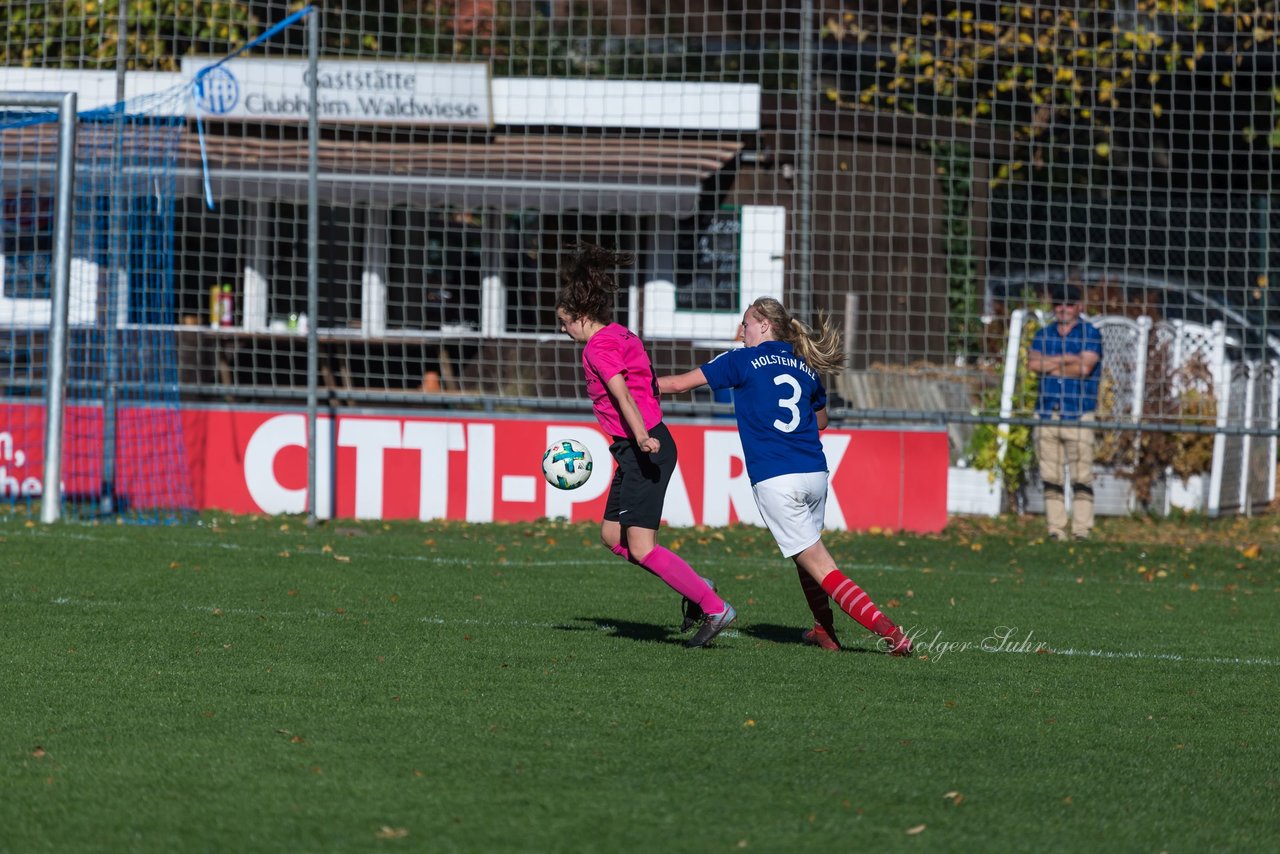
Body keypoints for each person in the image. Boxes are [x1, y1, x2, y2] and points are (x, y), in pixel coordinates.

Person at [657, 297, 913, 656]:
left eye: (744, 323)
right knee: (806, 556)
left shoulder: (741, 360)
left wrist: (634, 386)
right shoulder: (804, 366)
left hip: (777, 479)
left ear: (763, 324)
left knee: (824, 568)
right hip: (815, 475)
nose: (740, 332)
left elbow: (680, 385)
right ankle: (824, 631)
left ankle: (890, 633)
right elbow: (821, 420)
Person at [555, 242, 735, 648]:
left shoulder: (596, 348)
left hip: (644, 446)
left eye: (564, 323)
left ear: (581, 317)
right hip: (634, 449)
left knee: (640, 545)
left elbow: (624, 395)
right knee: (613, 537)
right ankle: (695, 585)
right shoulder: (618, 333)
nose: (563, 330)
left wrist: (639, 436)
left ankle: (713, 606)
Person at [1026, 282, 1103, 542]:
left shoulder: (1090, 333)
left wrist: (1052, 364)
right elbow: (1033, 364)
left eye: (1069, 304)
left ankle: (1081, 530)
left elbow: (1085, 368)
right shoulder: (1043, 334)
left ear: (1079, 307)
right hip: (1047, 413)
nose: (1063, 308)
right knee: (1050, 476)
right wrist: (1068, 360)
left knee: (1082, 476)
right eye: (1058, 303)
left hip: (1078, 413)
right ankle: (1056, 529)